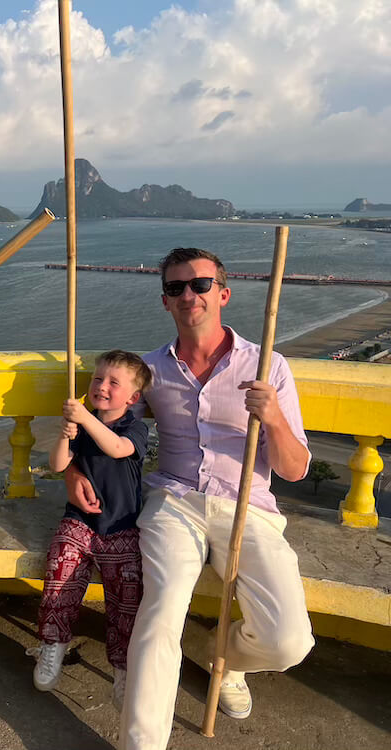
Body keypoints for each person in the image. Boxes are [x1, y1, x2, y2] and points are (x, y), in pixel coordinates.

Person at [65, 249, 314, 750]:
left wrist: (274, 418)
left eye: (199, 285)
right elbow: (105, 422)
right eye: (176, 288)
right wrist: (72, 470)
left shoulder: (268, 366)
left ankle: (226, 660)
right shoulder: (152, 370)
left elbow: (293, 468)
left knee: (289, 641)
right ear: (165, 301)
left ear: (222, 293)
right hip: (174, 503)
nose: (188, 295)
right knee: (160, 616)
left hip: (248, 506)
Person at [34, 350, 151, 708]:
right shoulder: (83, 426)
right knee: (60, 570)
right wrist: (65, 434)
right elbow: (57, 465)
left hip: (120, 526)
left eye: (114, 383)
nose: (102, 386)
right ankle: (53, 643)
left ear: (132, 397)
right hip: (80, 521)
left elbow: (116, 449)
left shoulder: (134, 427)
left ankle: (122, 667)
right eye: (98, 379)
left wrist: (84, 417)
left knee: (127, 595)